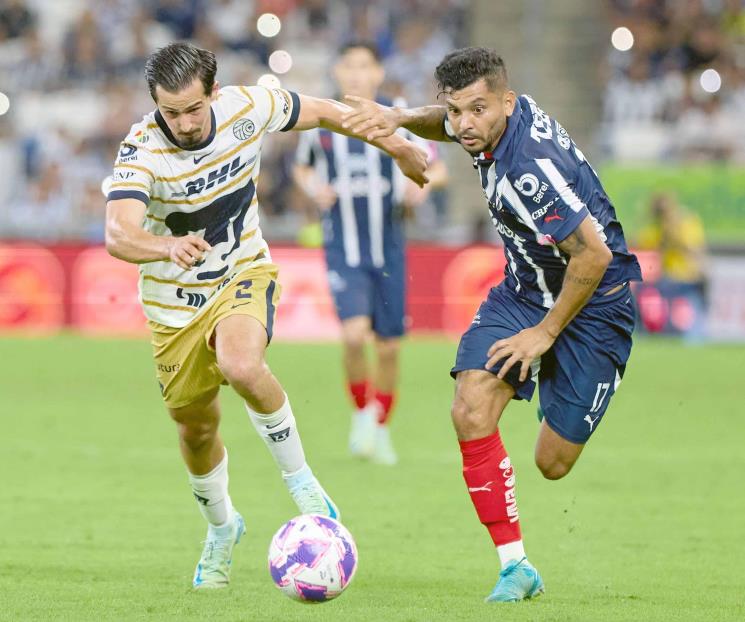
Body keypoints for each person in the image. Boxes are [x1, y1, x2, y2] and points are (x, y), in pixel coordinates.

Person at [104, 41, 427, 590]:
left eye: (192, 108)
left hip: (241, 273)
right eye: (169, 111)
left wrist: (396, 146)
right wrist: (165, 248)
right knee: (196, 427)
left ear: (214, 92)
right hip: (173, 306)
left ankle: (302, 483)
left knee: (241, 364)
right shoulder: (141, 150)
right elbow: (118, 232)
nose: (182, 122)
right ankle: (223, 528)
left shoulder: (248, 106)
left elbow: (326, 112)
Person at [341, 47, 642, 602]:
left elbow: (593, 257)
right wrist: (402, 118)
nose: (463, 125)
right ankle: (516, 566)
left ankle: (568, 373)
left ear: (505, 101)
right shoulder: (494, 119)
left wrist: (545, 335)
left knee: (552, 464)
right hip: (525, 290)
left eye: (476, 110)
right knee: (470, 406)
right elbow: (451, 125)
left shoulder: (528, 168)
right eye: (454, 111)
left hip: (595, 303)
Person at [293, 41, 447, 465]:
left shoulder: (400, 114)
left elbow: (438, 167)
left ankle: (380, 428)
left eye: (366, 66)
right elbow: (302, 166)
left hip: (390, 249)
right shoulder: (323, 119)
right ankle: (362, 413)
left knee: (390, 348)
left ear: (378, 73)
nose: (358, 75)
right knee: (353, 334)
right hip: (344, 246)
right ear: (338, 73)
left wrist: (423, 187)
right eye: (349, 67)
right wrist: (313, 188)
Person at [637, 192, 707, 339]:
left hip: (688, 277)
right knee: (669, 325)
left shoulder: (686, 222)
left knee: (690, 322)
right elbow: (645, 244)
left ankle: (694, 339)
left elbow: (694, 248)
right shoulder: (657, 227)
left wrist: (673, 233)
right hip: (667, 279)